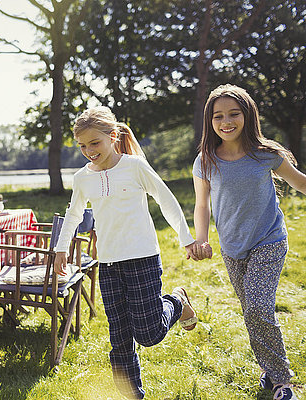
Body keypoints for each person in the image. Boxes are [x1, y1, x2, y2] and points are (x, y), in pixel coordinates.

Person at [53, 106, 198, 399]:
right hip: (108, 264)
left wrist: (186, 238)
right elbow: (73, 214)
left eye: (95, 143)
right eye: (82, 145)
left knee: (148, 334)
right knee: (119, 340)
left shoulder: (134, 167)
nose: (89, 150)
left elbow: (166, 200)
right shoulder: (83, 178)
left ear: (113, 136)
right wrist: (60, 248)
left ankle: (177, 301)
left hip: (142, 258)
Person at [191, 84, 306, 400]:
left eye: (233, 113)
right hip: (231, 246)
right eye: (218, 116)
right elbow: (202, 204)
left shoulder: (266, 155)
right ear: (209, 121)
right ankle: (269, 370)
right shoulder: (205, 160)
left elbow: (299, 182)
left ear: (248, 116)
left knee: (257, 306)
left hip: (268, 240)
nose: (226, 121)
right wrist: (201, 240)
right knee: (252, 312)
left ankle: (283, 382)